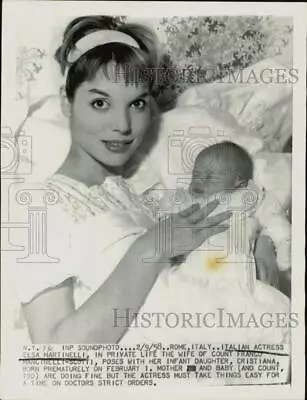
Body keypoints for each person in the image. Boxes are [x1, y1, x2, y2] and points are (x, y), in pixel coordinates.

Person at [16, 16, 231, 344]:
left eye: (137, 103)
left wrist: (254, 246)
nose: (123, 124)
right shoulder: (37, 206)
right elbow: (52, 355)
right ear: (66, 102)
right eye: (100, 103)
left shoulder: (132, 193)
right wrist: (150, 246)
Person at [158, 141, 291, 289]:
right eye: (195, 174)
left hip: (239, 267)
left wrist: (283, 245)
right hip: (195, 269)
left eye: (209, 176)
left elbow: (274, 221)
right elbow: (165, 224)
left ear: (237, 182)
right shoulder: (187, 202)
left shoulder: (250, 198)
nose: (198, 181)